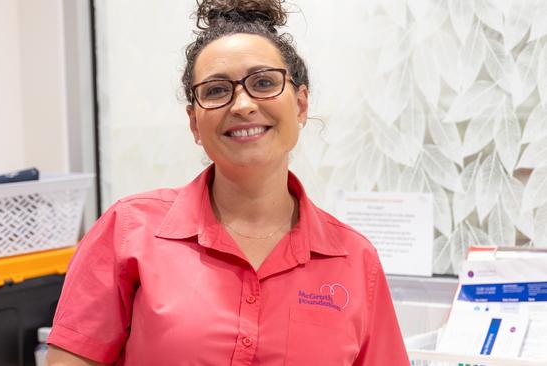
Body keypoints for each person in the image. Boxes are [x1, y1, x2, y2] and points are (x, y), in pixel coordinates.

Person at [46, 0, 409, 364]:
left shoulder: (355, 259)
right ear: (194, 123)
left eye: (264, 82)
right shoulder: (128, 230)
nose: (242, 105)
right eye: (217, 90)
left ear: (300, 105)